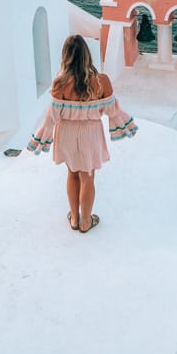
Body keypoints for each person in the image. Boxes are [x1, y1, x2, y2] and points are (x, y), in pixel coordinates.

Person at [27, 34, 137, 233]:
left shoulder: (59, 84)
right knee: (88, 176)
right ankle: (86, 221)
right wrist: (126, 126)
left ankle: (74, 219)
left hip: (66, 133)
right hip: (90, 133)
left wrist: (40, 138)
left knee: (72, 173)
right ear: (87, 55)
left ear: (66, 57)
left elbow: (52, 116)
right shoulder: (101, 81)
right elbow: (113, 111)